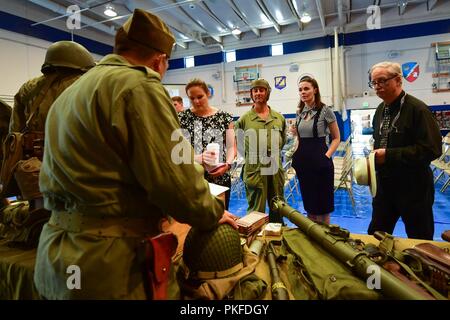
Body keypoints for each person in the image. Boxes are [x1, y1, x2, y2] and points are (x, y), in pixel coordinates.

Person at [34, 9, 236, 300]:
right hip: (109, 265)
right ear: (159, 60)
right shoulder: (139, 86)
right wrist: (209, 212)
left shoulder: (71, 93)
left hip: (57, 256)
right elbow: (174, 181)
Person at [367, 61, 442, 240]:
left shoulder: (418, 110)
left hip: (414, 187)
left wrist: (389, 156)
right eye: (374, 82)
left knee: (420, 240)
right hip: (385, 186)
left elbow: (432, 149)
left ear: (398, 80)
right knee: (376, 236)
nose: (377, 86)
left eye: (382, 81)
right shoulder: (380, 110)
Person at [179, 78, 236, 209]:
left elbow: (231, 146)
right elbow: (178, 150)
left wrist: (227, 165)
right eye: (192, 98)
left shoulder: (224, 117)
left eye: (200, 97)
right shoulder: (182, 118)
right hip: (193, 178)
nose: (196, 101)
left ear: (208, 93)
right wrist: (197, 159)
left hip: (220, 176)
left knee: (221, 216)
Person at [235, 79, 286, 223]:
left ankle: (277, 238)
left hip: (275, 169)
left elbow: (282, 141)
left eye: (261, 90)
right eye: (255, 90)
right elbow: (239, 145)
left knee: (278, 206)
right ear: (251, 94)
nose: (258, 93)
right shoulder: (244, 120)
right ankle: (255, 241)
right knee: (255, 211)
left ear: (267, 92)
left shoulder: (279, 118)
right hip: (255, 170)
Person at [291, 76, 340, 225]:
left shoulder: (326, 111)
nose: (303, 92)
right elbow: (299, 139)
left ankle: (324, 238)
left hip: (320, 163)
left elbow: (336, 138)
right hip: (304, 165)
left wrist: (326, 156)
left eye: (306, 88)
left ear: (315, 90)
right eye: (300, 89)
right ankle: (311, 239)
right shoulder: (299, 112)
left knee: (323, 206)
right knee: (310, 204)